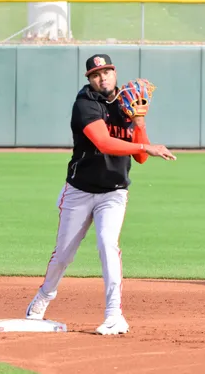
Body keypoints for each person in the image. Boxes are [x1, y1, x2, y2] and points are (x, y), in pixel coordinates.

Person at [25, 54, 177, 334]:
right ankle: (43, 299)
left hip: (114, 193)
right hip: (79, 190)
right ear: (90, 79)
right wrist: (147, 147)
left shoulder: (127, 103)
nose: (102, 77)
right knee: (63, 255)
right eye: (96, 74)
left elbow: (140, 160)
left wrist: (140, 123)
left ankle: (114, 314)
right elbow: (104, 143)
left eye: (106, 72)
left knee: (108, 245)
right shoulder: (84, 104)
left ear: (114, 73)